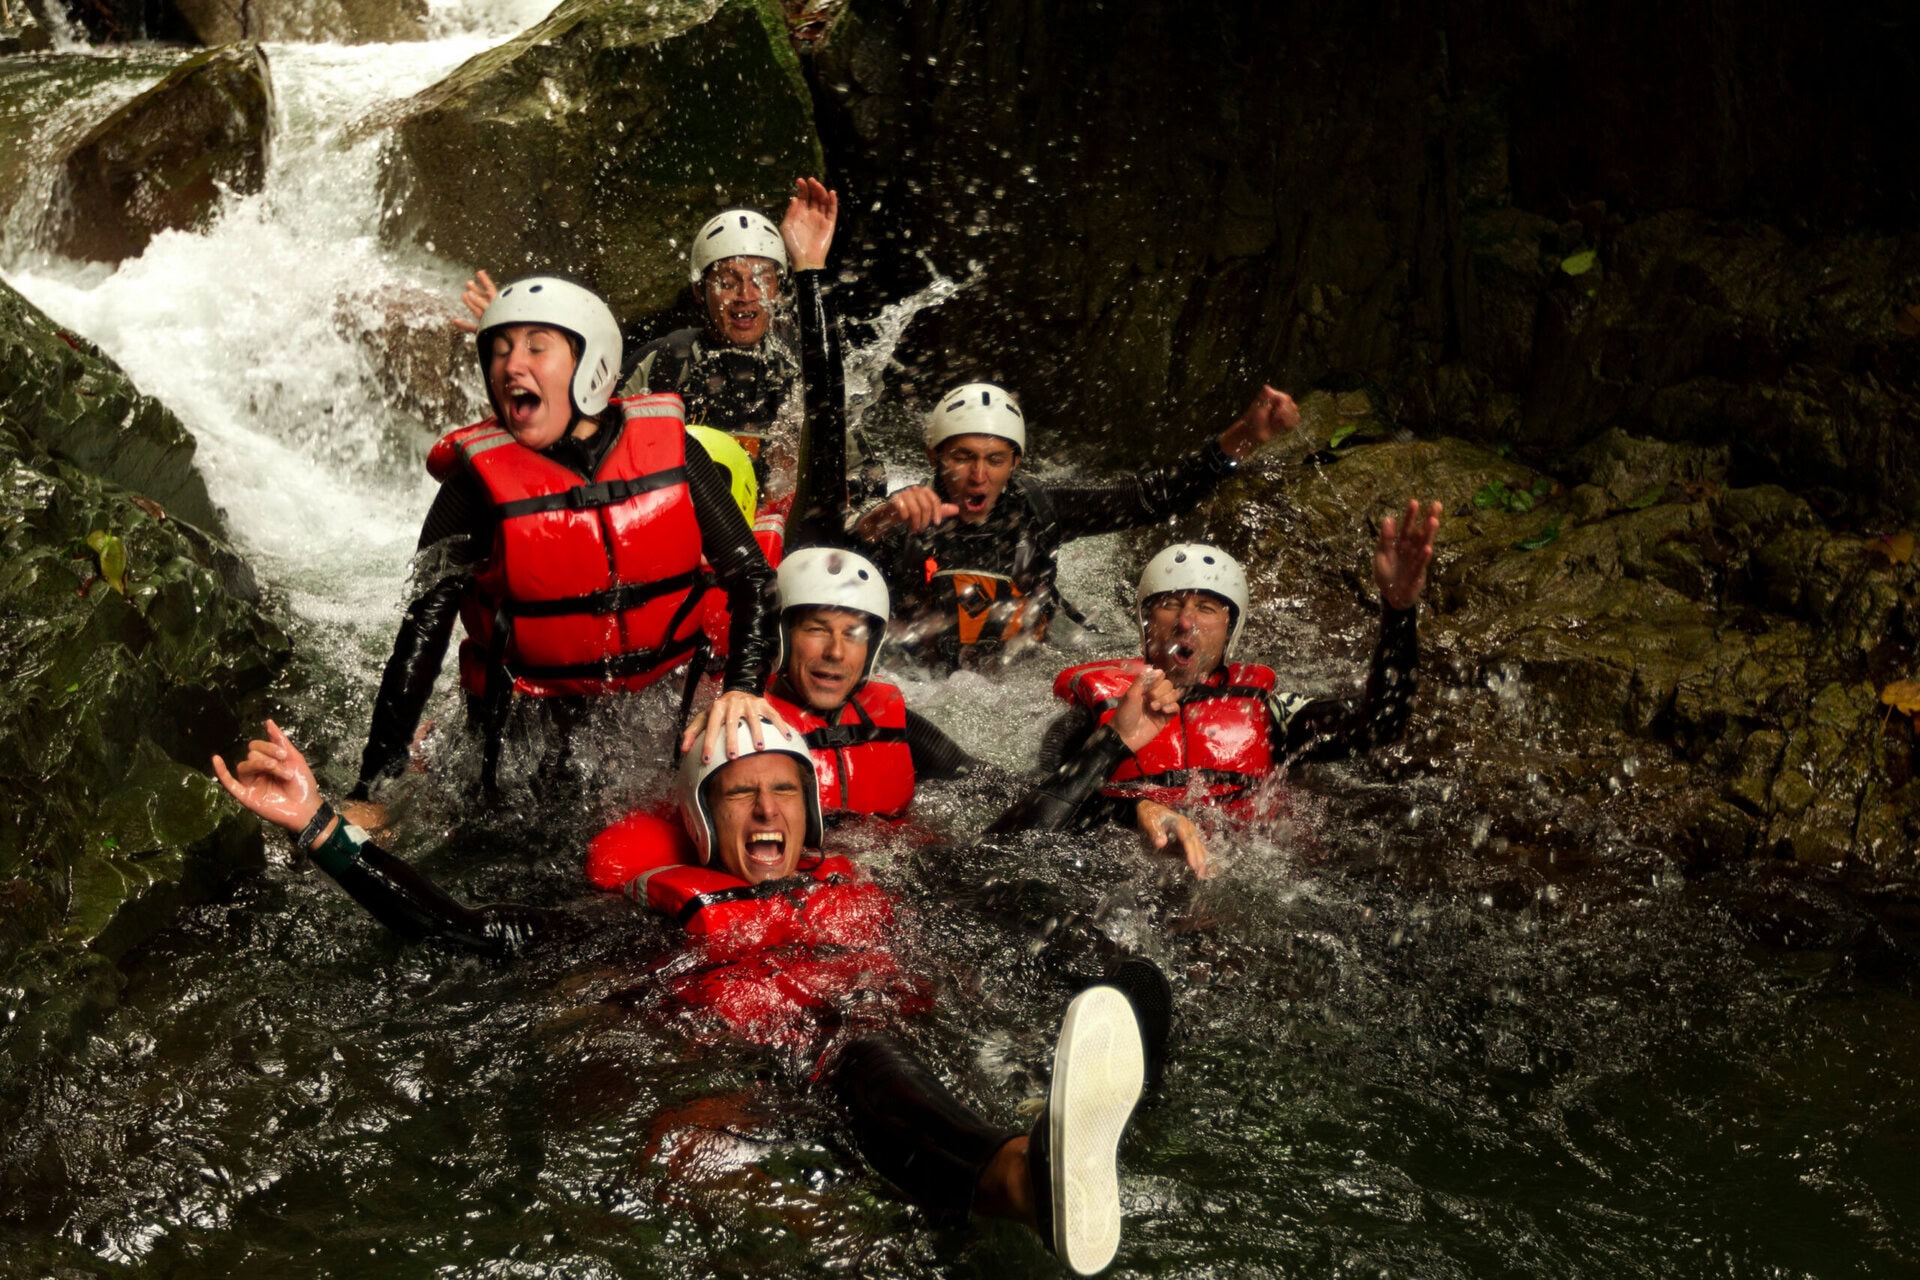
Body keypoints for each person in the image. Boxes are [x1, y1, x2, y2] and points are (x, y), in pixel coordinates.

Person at [212, 680, 1190, 1275]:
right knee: (836, 1055)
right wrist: (320, 829)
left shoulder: (874, 876)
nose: (766, 809)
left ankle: (1037, 1153)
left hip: (905, 1045)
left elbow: (1006, 847)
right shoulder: (655, 916)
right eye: (740, 796)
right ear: (702, 823)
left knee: (1054, 992)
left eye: (783, 793)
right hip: (775, 1076)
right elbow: (467, 931)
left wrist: (1109, 760)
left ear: (812, 813)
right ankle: (1021, 1174)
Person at [351, 275, 782, 804]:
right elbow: (419, 641)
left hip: (655, 719)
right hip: (518, 747)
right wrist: (370, 789)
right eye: (501, 350)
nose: (511, 365)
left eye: (536, 346)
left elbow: (754, 579)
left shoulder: (677, 454)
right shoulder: (472, 489)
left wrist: (742, 689)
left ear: (592, 363)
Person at [459, 179, 876, 561]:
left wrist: (881, 513)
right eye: (727, 281)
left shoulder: (800, 371)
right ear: (699, 291)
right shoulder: (663, 362)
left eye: (760, 279)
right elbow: (579, 427)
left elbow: (856, 475)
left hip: (781, 546)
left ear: (779, 288)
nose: (746, 295)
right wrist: (522, 346)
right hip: (676, 537)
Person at [1041, 501, 1445, 877]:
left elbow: (1383, 722)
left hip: (1244, 886)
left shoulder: (1269, 713)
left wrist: (1399, 614)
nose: (1186, 623)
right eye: (1171, 604)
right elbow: (1039, 812)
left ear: (1231, 630)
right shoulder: (1095, 715)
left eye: (1207, 608)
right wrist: (1134, 810)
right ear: (1145, 622)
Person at [853, 381, 1300, 671]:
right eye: (962, 457)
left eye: (995, 460)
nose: (978, 477)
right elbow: (824, 576)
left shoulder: (1038, 509)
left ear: (1016, 462)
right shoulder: (900, 519)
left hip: (1026, 677)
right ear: (934, 457)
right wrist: (871, 529)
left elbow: (1150, 499)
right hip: (924, 682)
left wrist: (1246, 436)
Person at [760, 545, 977, 819]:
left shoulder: (888, 719)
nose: (836, 652)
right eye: (817, 629)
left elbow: (980, 781)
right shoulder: (748, 727)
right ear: (783, 636)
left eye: (853, 634)